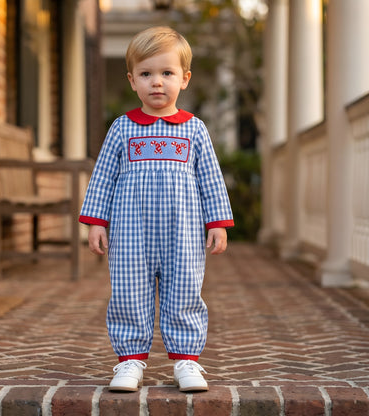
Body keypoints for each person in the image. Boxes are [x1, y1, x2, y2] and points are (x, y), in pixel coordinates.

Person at [79, 26, 233, 392]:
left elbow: (210, 179)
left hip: (184, 233)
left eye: (167, 73)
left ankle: (186, 362)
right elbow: (103, 177)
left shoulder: (194, 130)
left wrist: (218, 223)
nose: (157, 83)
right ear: (132, 80)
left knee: (184, 294)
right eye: (146, 74)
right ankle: (130, 361)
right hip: (130, 232)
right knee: (129, 294)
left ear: (185, 78)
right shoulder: (122, 129)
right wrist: (96, 223)